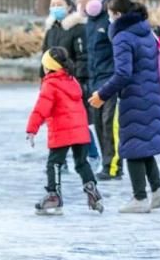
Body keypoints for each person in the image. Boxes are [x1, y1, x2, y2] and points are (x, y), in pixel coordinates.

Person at [88, 0, 160, 213]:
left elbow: (123, 73)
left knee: (132, 145)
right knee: (143, 144)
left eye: (110, 13)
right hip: (152, 93)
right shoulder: (145, 30)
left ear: (118, 15)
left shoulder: (123, 37)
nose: (108, 18)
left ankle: (139, 198)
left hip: (135, 97)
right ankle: (158, 190)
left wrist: (102, 94)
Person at [27, 47, 103, 215]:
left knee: (54, 163)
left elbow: (41, 109)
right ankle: (92, 189)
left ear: (48, 67)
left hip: (62, 131)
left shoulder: (50, 84)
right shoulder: (72, 81)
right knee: (81, 163)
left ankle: (54, 195)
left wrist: (32, 129)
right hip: (80, 130)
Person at [42, 0, 98, 167]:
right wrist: (42, 79)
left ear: (69, 7)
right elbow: (44, 56)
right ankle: (61, 159)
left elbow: (83, 57)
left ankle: (92, 153)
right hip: (52, 83)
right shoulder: (51, 30)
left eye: (59, 4)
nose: (55, 8)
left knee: (78, 121)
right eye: (52, 4)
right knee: (57, 122)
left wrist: (77, 80)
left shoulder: (78, 28)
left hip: (72, 82)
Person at [76, 0, 123, 180]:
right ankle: (107, 162)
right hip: (94, 80)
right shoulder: (90, 21)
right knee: (97, 123)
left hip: (110, 80)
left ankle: (113, 167)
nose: (79, 2)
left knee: (109, 124)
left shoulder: (109, 18)